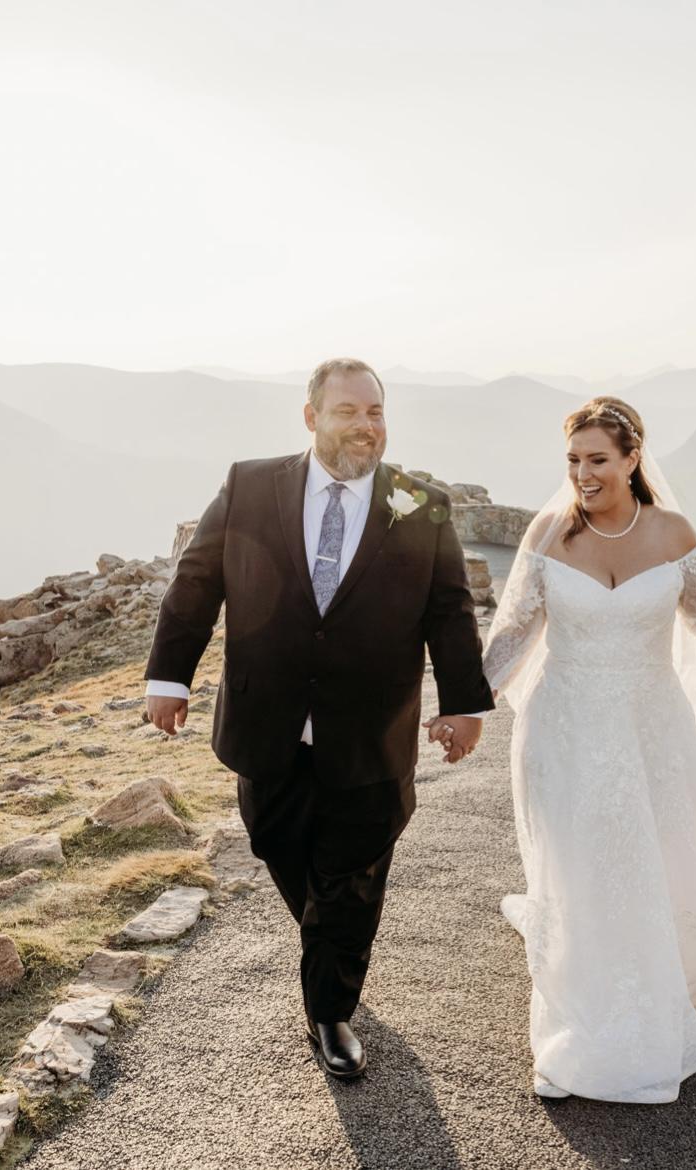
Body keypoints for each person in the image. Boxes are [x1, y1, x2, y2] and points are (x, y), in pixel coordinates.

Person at [143, 357, 494, 1080]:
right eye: (348, 412)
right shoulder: (249, 484)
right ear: (310, 418)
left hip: (370, 734)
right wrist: (169, 676)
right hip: (267, 723)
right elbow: (197, 581)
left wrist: (462, 704)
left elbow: (449, 610)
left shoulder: (421, 504)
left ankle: (330, 1011)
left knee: (353, 875)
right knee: (276, 843)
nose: (367, 426)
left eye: (376, 412)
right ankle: (326, 945)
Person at [478, 395, 696, 1103]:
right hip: (567, 727)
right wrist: (463, 704)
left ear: (633, 458)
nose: (582, 473)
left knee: (663, 848)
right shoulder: (548, 534)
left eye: (597, 460)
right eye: (572, 459)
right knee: (586, 861)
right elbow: (512, 635)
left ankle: (679, 970)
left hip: (650, 724)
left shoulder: (671, 531)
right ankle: (593, 1002)